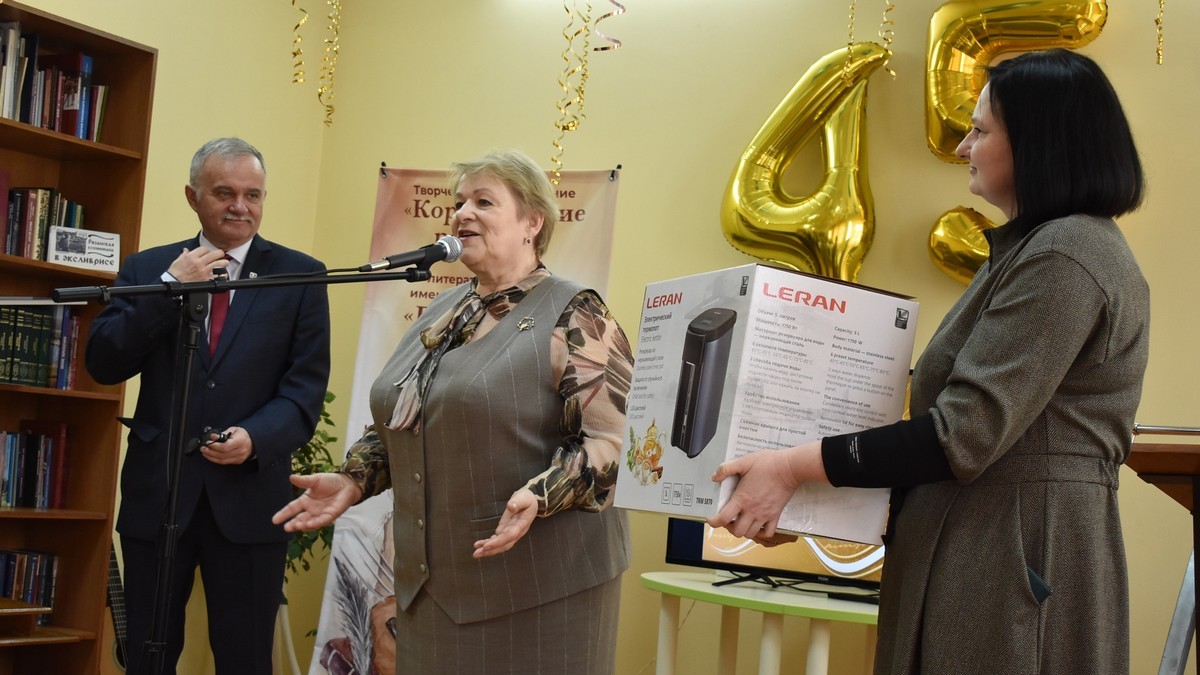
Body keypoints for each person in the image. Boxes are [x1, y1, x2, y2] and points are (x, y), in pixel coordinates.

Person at [708, 48, 1148, 675]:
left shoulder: (1065, 253)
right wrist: (803, 498)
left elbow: (958, 437)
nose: (965, 147)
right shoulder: (1031, 249)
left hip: (1014, 549)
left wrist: (792, 467)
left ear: (1039, 144)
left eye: (980, 131)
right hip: (983, 540)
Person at [273, 149, 632, 674]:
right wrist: (354, 479)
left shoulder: (576, 311)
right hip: (432, 590)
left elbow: (616, 442)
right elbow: (406, 419)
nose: (462, 213)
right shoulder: (445, 310)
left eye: (483, 202)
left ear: (532, 222)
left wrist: (541, 494)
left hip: (542, 588)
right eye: (459, 202)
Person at [86, 137, 332, 674]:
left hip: (249, 500)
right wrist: (171, 288)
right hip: (159, 494)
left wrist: (255, 438)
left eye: (253, 195)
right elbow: (103, 362)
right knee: (147, 657)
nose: (240, 206)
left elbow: (304, 392)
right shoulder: (150, 268)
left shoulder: (301, 275)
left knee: (245, 660)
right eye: (224, 193)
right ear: (192, 196)